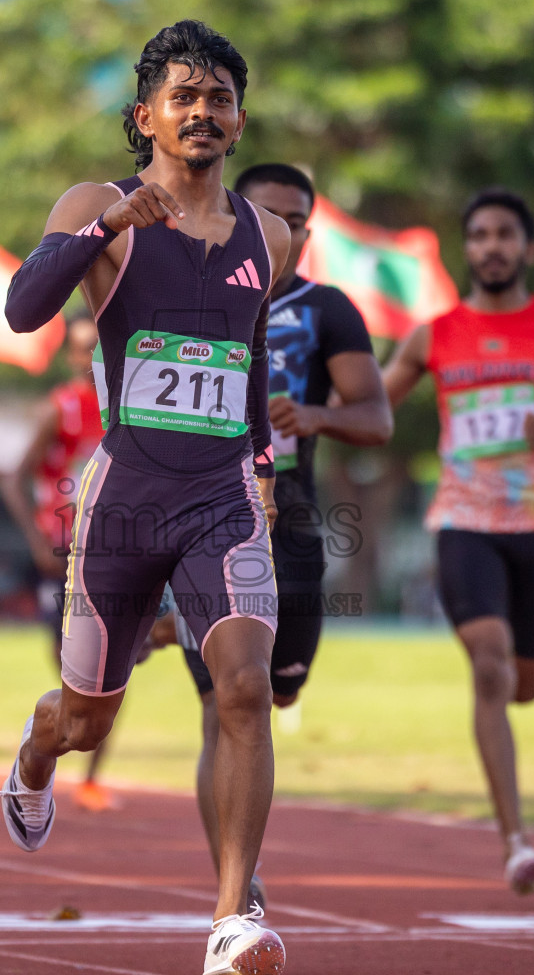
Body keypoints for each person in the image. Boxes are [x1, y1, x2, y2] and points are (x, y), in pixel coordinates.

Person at [0, 20, 291, 975]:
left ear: (239, 121)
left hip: (222, 493)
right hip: (125, 499)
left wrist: (265, 467)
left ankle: (231, 918)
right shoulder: (93, 201)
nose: (204, 112)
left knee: (243, 688)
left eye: (220, 99)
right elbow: (24, 308)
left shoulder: (266, 235)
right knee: (87, 721)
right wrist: (105, 229)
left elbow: (244, 362)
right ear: (146, 115)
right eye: (184, 97)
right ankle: (34, 759)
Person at [382, 188, 534, 895]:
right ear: (469, 249)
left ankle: (509, 776)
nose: (491, 246)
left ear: (528, 248)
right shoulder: (434, 335)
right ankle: (515, 839)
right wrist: (301, 408)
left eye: (505, 235)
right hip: (465, 523)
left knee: (525, 683)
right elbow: (369, 402)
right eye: (480, 235)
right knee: (489, 665)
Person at [173, 163, 391, 910]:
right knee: (228, 701)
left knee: (273, 692)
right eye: (270, 214)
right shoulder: (188, 290)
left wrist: (317, 416)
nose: (285, 232)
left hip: (290, 524)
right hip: (198, 520)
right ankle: (235, 889)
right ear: (237, 213)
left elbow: (377, 419)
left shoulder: (327, 309)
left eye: (298, 221)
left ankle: (237, 875)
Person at [0, 314, 118, 812]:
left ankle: (90, 777)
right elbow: (13, 477)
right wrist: (34, 539)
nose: (90, 359)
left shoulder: (126, 407)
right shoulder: (62, 409)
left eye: (99, 347)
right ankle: (46, 739)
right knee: (75, 672)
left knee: (118, 667)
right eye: (81, 350)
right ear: (70, 356)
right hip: (65, 549)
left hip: (119, 548)